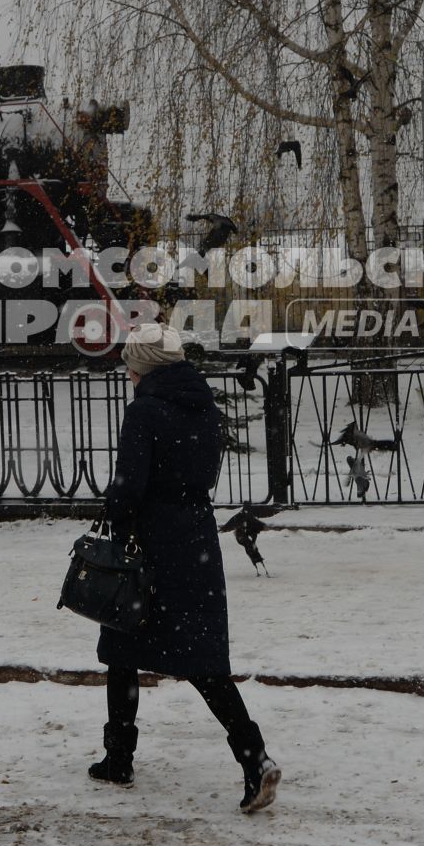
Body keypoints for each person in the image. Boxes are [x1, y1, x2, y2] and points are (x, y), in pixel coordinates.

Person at [87, 322, 282, 813]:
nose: (126, 373)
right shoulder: (204, 408)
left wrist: (115, 509)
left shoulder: (145, 411)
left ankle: (118, 759)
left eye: (130, 364)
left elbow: (130, 486)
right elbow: (203, 474)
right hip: (194, 540)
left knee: (123, 645)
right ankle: (254, 758)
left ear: (144, 367)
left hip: (150, 546)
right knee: (203, 660)